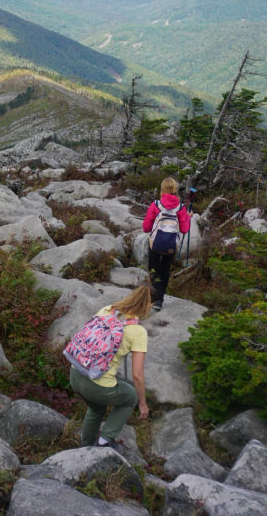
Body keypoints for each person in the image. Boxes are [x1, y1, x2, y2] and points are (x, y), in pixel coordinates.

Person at [68, 286, 152, 448]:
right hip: (96, 385)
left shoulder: (108, 309)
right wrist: (142, 403)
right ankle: (104, 441)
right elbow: (137, 375)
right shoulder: (138, 331)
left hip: (76, 373)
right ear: (149, 305)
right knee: (131, 397)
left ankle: (85, 446)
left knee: (96, 409)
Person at [142, 177, 191, 311]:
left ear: (162, 189)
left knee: (153, 269)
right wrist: (188, 217)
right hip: (171, 245)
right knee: (165, 269)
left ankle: (155, 297)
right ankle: (160, 299)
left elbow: (146, 227)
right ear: (175, 190)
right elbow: (184, 229)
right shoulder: (181, 208)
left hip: (155, 243)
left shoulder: (156, 205)